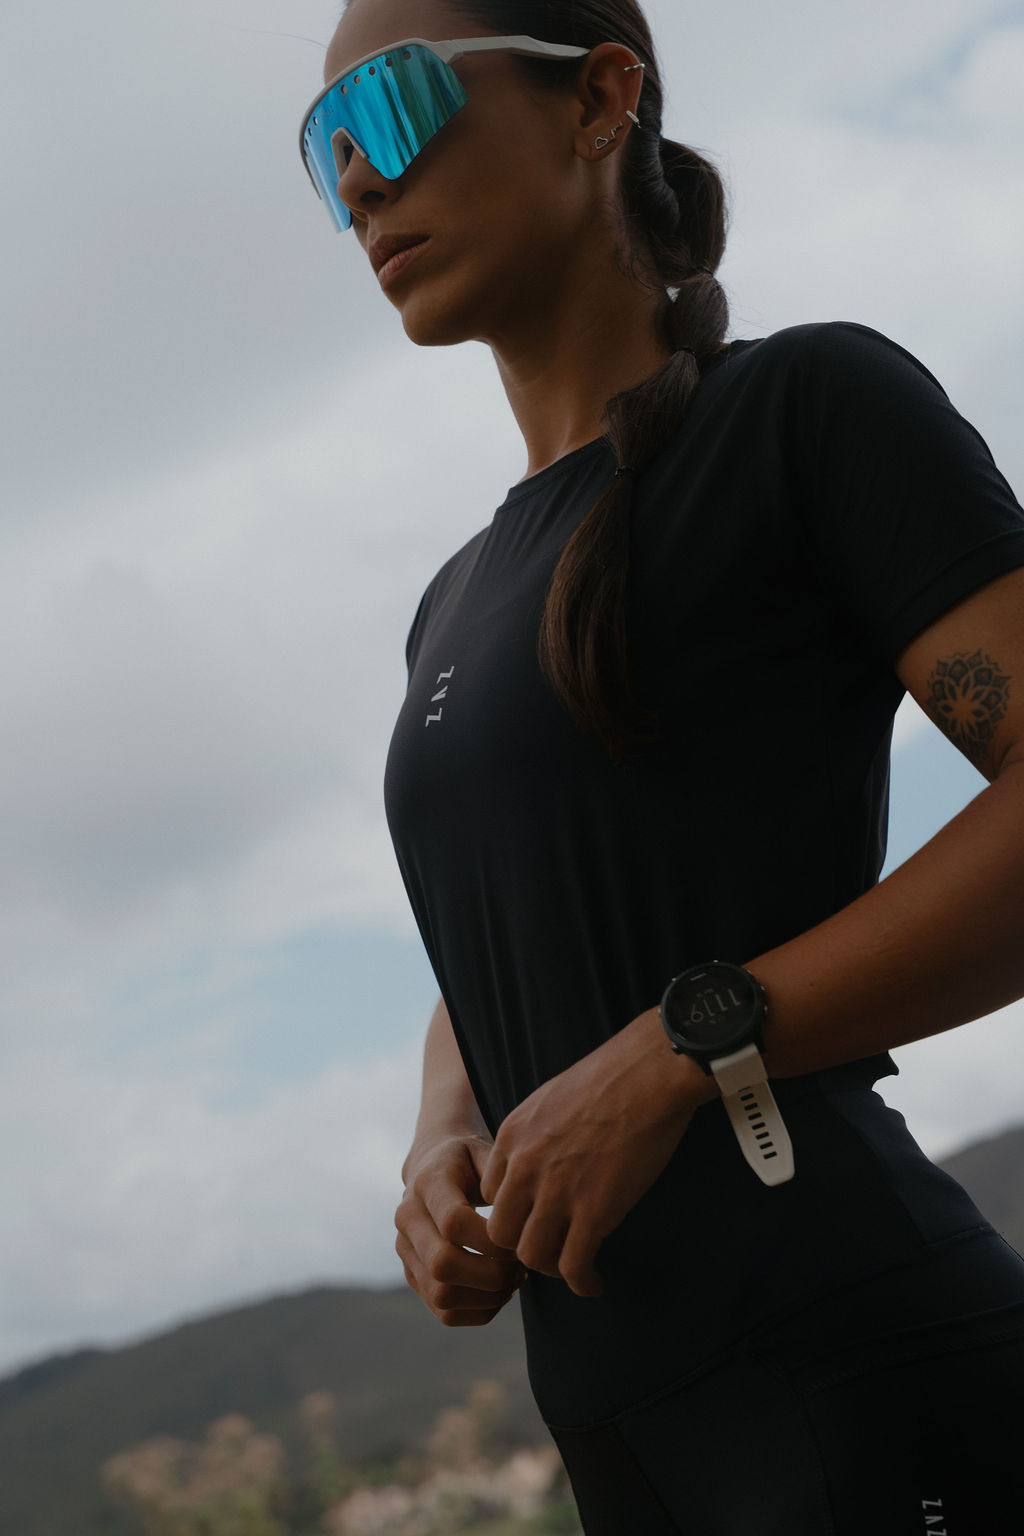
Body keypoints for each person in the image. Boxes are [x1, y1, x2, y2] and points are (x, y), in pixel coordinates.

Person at [299, 1, 1024, 1530]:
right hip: (623, 1435)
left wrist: (683, 1050)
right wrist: (449, 1126)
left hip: (857, 1371)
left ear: (600, 100)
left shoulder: (805, 410)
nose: (358, 180)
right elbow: (524, 910)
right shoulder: (456, 597)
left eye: (392, 107)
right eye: (325, 147)